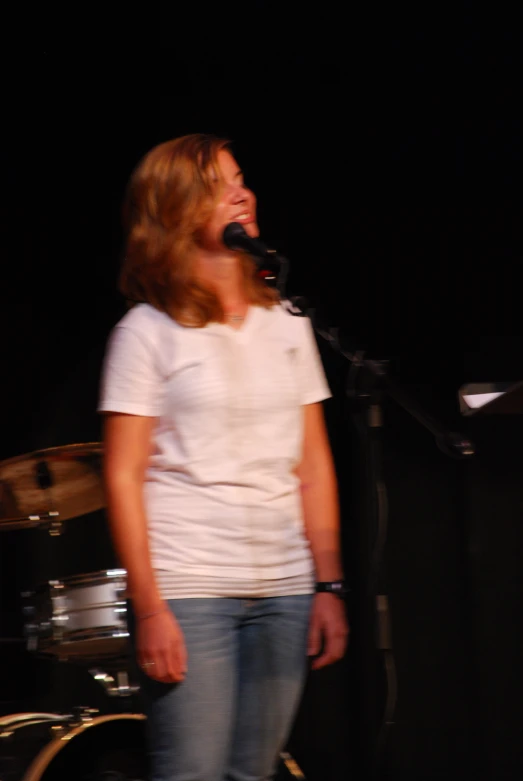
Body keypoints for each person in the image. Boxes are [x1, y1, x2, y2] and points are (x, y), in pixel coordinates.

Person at [98, 133, 349, 781]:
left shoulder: (287, 321)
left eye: (240, 177)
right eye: (216, 186)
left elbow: (313, 466)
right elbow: (122, 476)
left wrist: (326, 584)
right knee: (193, 772)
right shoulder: (146, 331)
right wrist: (150, 606)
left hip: (286, 587)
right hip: (190, 588)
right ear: (175, 210)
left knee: (254, 772)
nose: (240, 192)